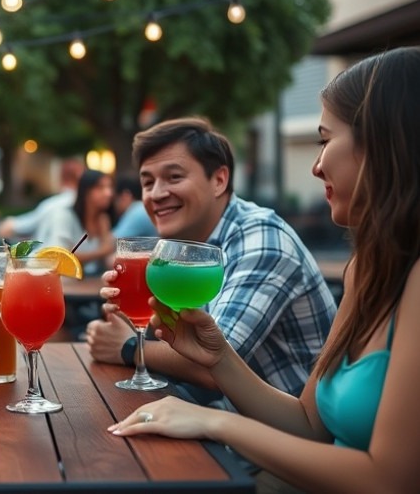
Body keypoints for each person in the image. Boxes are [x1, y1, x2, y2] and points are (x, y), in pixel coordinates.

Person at [110, 46, 420, 494]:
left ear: (383, 144)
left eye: (324, 140)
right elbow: (310, 424)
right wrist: (218, 358)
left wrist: (214, 422)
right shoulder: (366, 271)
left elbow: (387, 481)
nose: (316, 166)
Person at [86, 117, 336, 409]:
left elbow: (213, 365)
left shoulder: (260, 237)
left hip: (289, 440)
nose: (156, 194)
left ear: (219, 180)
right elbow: (183, 336)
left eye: (174, 177)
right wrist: (136, 321)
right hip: (230, 421)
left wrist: (128, 348)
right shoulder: (185, 247)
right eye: (148, 182)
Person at [37, 168, 116, 276]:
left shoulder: (103, 219)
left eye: (110, 187)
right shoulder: (64, 215)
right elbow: (60, 257)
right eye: (100, 187)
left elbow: (108, 258)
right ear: (85, 191)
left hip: (83, 281)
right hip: (45, 275)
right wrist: (102, 251)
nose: (108, 193)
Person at [0, 158, 84, 239]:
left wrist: (8, 223)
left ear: (61, 177)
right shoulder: (80, 202)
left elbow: (23, 225)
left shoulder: (56, 203)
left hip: (48, 252)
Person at [112, 173, 157, 238]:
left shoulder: (138, 210)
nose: (115, 206)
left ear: (125, 196)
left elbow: (112, 243)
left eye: (115, 200)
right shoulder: (141, 208)